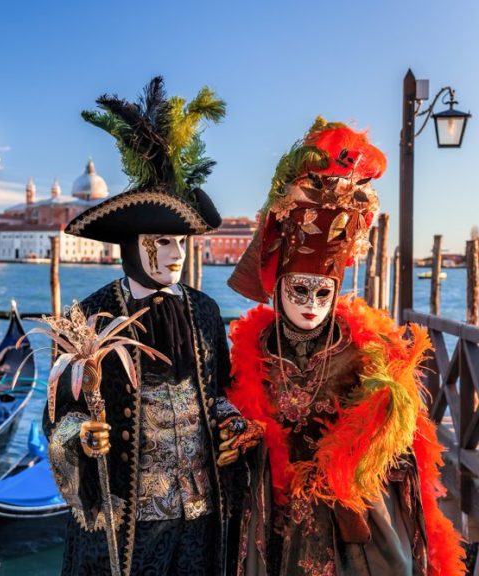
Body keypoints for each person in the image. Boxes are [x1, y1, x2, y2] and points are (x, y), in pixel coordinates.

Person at [225, 117, 465, 575]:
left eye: (323, 293)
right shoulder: (254, 352)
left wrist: (368, 437)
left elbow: (403, 443)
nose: (311, 305)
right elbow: (238, 416)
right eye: (299, 290)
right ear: (279, 290)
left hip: (348, 516)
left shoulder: (365, 350)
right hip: (274, 513)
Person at [43, 77, 262, 576]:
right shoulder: (90, 315)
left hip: (201, 517)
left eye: (181, 242)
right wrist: (82, 437)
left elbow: (218, 390)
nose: (175, 254)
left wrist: (232, 422)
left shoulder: (205, 310)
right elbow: (58, 415)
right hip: (127, 524)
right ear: (132, 244)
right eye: (162, 242)